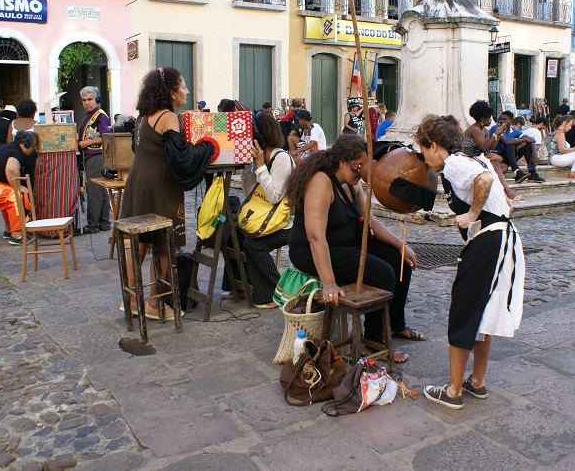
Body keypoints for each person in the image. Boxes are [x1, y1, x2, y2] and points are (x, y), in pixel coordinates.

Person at [415, 115, 524, 410]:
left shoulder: (453, 164)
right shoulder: (472, 160)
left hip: (488, 242)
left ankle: (452, 391)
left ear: (433, 146)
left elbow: (485, 181)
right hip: (498, 239)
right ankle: (476, 382)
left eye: (424, 152)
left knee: (463, 311)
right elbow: (496, 189)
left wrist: (473, 214)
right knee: (481, 314)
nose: (425, 160)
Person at [285, 134, 422, 364]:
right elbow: (315, 236)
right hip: (313, 251)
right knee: (382, 273)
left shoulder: (353, 183)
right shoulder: (321, 182)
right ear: (341, 163)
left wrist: (401, 245)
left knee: (399, 261)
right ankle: (371, 340)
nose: (361, 173)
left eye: (363, 167)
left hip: (347, 243)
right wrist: (329, 282)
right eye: (357, 167)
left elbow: (369, 221)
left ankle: (397, 325)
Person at [120, 66, 217, 320]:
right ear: (172, 93)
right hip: (159, 186)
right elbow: (181, 156)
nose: (186, 91)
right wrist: (207, 147)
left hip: (138, 182)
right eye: (183, 86)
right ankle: (154, 303)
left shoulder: (143, 116)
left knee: (140, 245)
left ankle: (130, 300)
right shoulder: (168, 117)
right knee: (164, 245)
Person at [226, 113, 295, 308]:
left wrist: (261, 167)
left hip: (286, 223)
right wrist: (252, 166)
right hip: (265, 216)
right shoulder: (260, 157)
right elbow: (251, 192)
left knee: (254, 245)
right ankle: (241, 286)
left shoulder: (281, 158)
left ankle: (277, 292)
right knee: (233, 235)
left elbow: (274, 196)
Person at [462, 101, 520, 202]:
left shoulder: (483, 130)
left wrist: (498, 134)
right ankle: (507, 193)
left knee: (503, 167)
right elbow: (484, 147)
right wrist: (495, 134)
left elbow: (491, 146)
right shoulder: (475, 129)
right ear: (482, 119)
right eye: (489, 118)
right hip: (468, 157)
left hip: (477, 157)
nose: (490, 120)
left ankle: (495, 189)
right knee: (495, 164)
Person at [77, 86, 112, 234]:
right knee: (101, 191)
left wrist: (87, 143)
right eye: (84, 100)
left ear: (97, 100)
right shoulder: (89, 115)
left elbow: (106, 136)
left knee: (94, 192)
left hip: (96, 157)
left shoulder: (100, 115)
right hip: (91, 157)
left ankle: (93, 225)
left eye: (89, 99)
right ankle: (103, 223)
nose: (86, 103)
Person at [489, 111, 545, 184]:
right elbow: (506, 141)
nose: (502, 121)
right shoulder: (496, 128)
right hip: (498, 155)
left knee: (527, 146)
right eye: (500, 119)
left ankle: (532, 172)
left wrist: (534, 156)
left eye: (505, 119)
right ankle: (517, 172)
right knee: (510, 145)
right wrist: (524, 139)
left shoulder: (514, 130)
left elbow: (531, 140)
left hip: (509, 156)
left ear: (511, 121)